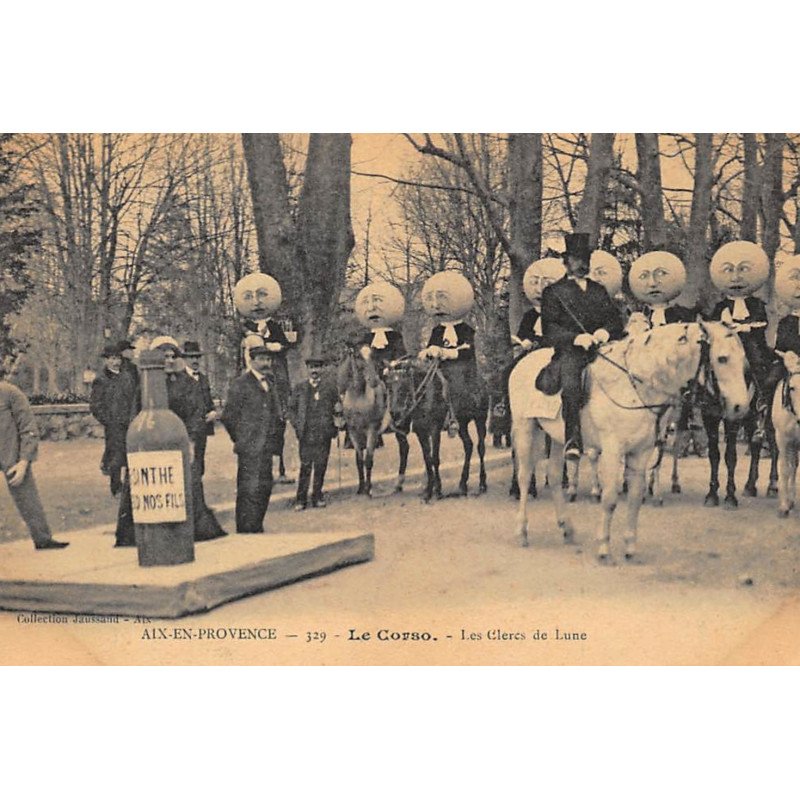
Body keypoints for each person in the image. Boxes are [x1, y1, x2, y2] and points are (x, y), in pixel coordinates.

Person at [539, 232, 624, 461]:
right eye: (577, 259)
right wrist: (575, 338)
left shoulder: (599, 290)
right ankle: (572, 440)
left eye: (585, 258)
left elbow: (615, 320)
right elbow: (549, 330)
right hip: (570, 351)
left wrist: (605, 331)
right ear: (566, 262)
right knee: (571, 384)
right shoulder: (553, 292)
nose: (582, 263)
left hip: (602, 348)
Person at [153, 337, 227, 542]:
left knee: (190, 481)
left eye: (172, 356)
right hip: (158, 443)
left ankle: (194, 526)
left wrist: (192, 440)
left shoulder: (187, 383)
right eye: (164, 357)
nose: (168, 361)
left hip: (183, 440)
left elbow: (195, 412)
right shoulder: (149, 382)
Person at [707, 241, 776, 441]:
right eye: (729, 271)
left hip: (750, 343)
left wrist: (745, 327)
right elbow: (712, 326)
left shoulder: (756, 304)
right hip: (727, 343)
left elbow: (762, 323)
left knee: (756, 362)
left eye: (742, 271)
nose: (735, 278)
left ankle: (761, 401)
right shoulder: (721, 305)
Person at [0, 354, 68, 550]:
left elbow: (28, 429)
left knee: (27, 497)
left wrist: (23, 462)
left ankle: (43, 538)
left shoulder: (10, 393)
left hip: (11, 457)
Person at [221, 342, 283, 533]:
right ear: (252, 361)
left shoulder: (270, 384)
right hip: (249, 448)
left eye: (268, 359)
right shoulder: (240, 384)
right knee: (248, 490)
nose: (266, 363)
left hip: (266, 448)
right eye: (262, 359)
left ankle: (257, 526)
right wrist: (242, 439)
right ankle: (246, 531)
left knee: (264, 488)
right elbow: (228, 417)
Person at [289, 356, 339, 510]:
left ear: (322, 369)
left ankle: (317, 496)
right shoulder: (300, 388)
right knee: (305, 466)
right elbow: (291, 409)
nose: (314, 370)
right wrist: (297, 425)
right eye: (311, 367)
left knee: (321, 465)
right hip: (306, 433)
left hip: (324, 433)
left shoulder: (330, 388)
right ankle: (300, 499)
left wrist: (337, 417)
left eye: (317, 367)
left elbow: (337, 407)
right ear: (307, 370)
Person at [90, 343, 138, 497]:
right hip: (114, 425)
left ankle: (130, 485)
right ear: (106, 360)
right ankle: (115, 487)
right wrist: (108, 421)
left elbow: (134, 398)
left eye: (117, 358)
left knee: (131, 454)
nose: (115, 362)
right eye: (112, 359)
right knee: (116, 456)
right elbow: (96, 406)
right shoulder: (101, 380)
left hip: (129, 421)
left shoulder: (127, 377)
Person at [180, 340, 217, 475]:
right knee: (188, 462)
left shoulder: (203, 378)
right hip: (187, 429)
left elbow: (208, 401)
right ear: (184, 359)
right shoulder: (179, 379)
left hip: (202, 427)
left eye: (197, 357)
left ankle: (198, 491)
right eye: (191, 357)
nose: (195, 360)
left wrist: (212, 411)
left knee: (200, 462)